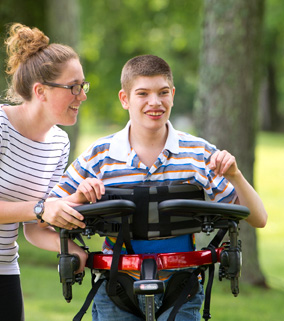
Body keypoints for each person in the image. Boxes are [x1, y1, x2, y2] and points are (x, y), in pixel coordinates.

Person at [51, 55, 268, 321]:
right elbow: (48, 216)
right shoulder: (99, 156)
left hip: (181, 285)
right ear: (124, 99)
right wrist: (78, 197)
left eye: (163, 92)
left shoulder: (198, 155)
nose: (155, 102)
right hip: (116, 286)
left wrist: (235, 175)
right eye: (142, 93)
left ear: (173, 95)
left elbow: (258, 218)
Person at [0, 23, 90, 321]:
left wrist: (73, 247)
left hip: (3, 268)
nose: (82, 96)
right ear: (41, 91)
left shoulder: (59, 143)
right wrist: (41, 208)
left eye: (83, 86)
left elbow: (34, 227)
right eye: (73, 87)